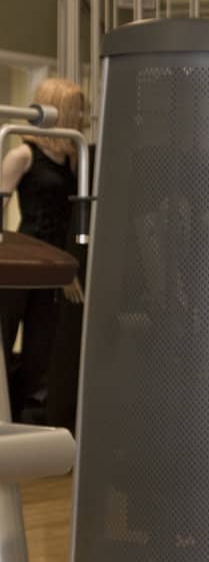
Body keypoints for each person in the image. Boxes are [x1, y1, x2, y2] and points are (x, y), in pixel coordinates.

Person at [0, 77, 86, 421]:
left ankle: (22, 420)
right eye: (77, 111)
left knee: (41, 350)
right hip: (23, 261)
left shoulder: (73, 160)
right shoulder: (22, 155)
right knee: (4, 342)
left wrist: (69, 268)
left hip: (55, 266)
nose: (81, 117)